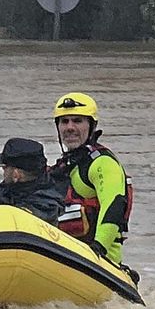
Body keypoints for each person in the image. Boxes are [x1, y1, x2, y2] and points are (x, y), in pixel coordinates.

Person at [48, 92, 132, 265]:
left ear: (91, 125)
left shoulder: (102, 164)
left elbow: (114, 205)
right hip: (65, 255)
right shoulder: (64, 167)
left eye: (77, 121)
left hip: (100, 261)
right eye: (64, 121)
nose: (69, 127)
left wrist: (98, 248)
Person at [0, 137, 65, 221]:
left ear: (16, 175)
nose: (3, 170)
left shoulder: (45, 207)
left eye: (5, 167)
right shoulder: (9, 188)